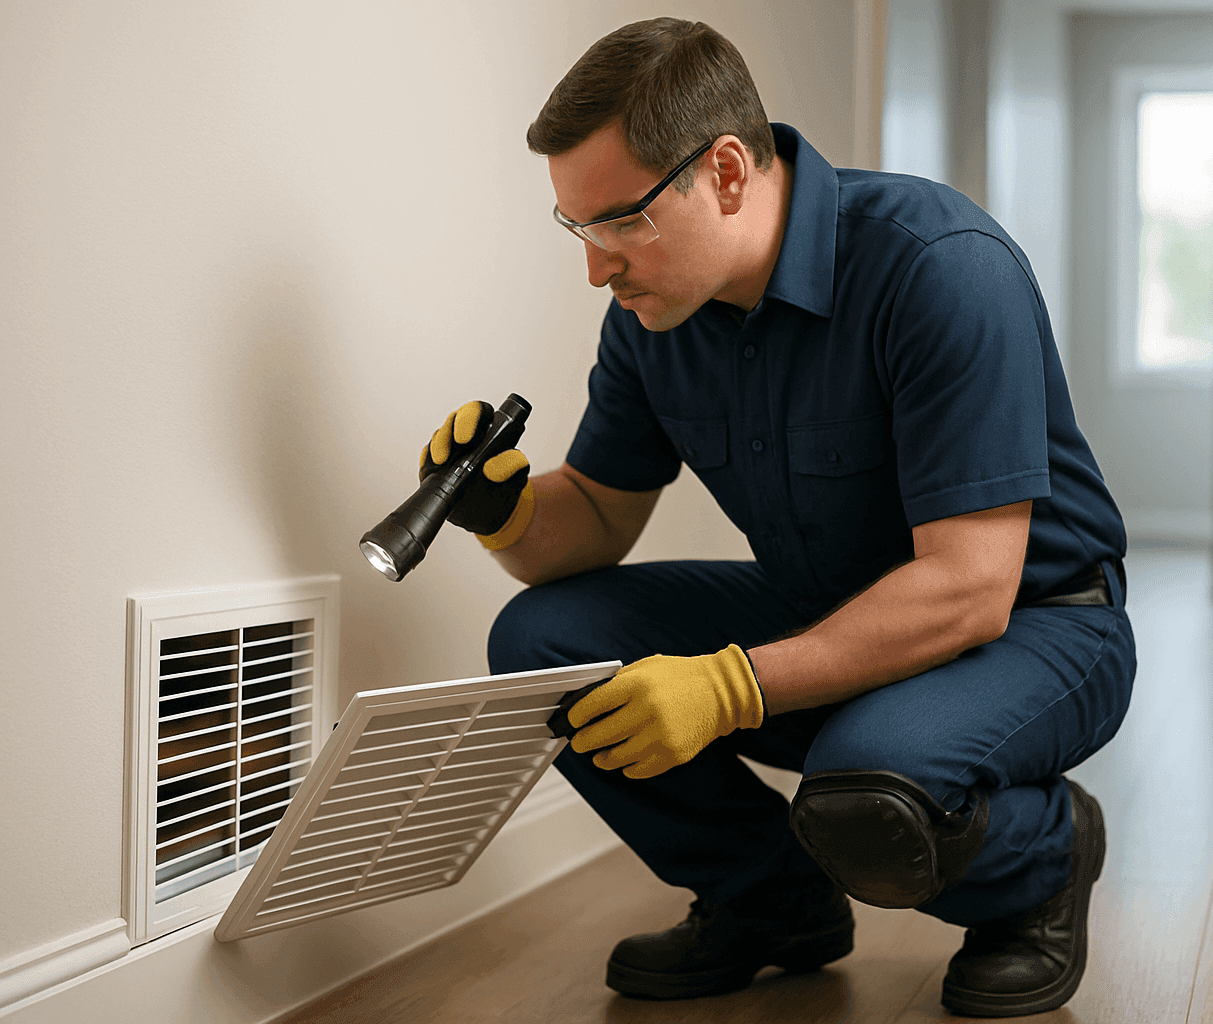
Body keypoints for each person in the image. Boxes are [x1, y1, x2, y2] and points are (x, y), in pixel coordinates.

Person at [418, 17, 1136, 1018]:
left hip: (1036, 624)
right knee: (546, 641)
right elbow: (591, 516)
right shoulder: (652, 316)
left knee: (861, 800)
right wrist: (502, 510)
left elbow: (971, 589)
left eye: (619, 220)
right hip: (826, 609)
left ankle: (1043, 861)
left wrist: (728, 685)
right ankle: (771, 904)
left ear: (721, 172)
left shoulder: (938, 266)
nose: (598, 267)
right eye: (577, 229)